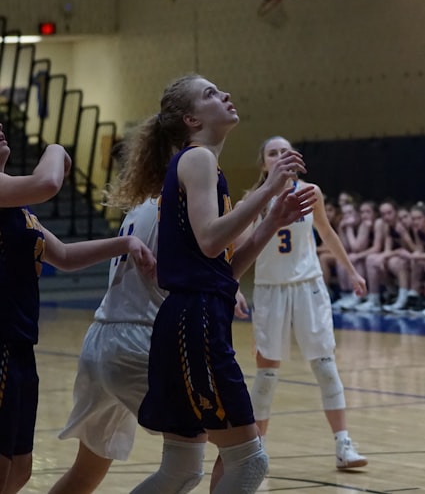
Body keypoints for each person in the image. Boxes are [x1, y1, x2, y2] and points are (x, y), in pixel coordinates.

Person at [114, 75, 315, 494]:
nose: (224, 94)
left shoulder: (201, 164)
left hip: (191, 318)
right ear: (191, 118)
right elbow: (209, 241)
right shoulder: (198, 159)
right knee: (249, 462)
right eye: (209, 94)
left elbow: (224, 267)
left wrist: (272, 221)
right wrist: (266, 190)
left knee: (181, 471)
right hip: (195, 324)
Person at [0, 130, 155, 494]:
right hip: (1, 341)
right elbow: (48, 181)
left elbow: (65, 257)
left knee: (19, 469)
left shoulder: (18, 208)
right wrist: (55, 147)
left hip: (19, 345)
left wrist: (127, 242)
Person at [247, 136, 369, 472]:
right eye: (272, 153)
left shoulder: (310, 192)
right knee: (267, 371)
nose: (279, 157)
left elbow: (327, 234)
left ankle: (343, 444)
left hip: (308, 286)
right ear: (263, 163)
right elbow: (237, 245)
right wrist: (231, 288)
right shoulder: (254, 201)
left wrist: (353, 272)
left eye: (285, 153)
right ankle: (258, 449)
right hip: (270, 290)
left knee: (325, 364)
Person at [48, 197, 166, 494]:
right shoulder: (180, 199)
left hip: (102, 334)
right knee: (232, 446)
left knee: (85, 474)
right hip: (138, 339)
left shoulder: (140, 205)